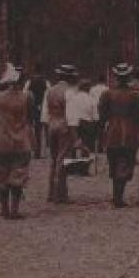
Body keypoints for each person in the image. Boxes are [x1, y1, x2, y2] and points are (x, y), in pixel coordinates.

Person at [0, 63, 35, 219]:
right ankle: (15, 209)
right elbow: (30, 117)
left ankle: (4, 209)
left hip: (2, 139)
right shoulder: (27, 97)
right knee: (18, 174)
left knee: (1, 173)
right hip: (21, 139)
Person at [99, 63, 139, 208]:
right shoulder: (136, 95)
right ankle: (118, 196)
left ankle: (117, 194)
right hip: (129, 131)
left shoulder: (107, 94)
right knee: (126, 160)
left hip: (113, 130)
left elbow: (102, 113)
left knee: (114, 161)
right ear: (129, 77)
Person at [44, 64, 78, 203]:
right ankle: (61, 194)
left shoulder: (50, 90)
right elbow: (71, 115)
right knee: (62, 160)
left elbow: (46, 112)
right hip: (64, 125)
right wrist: (75, 135)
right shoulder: (70, 92)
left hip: (52, 124)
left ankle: (51, 192)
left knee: (53, 159)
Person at [24, 65, 50, 158]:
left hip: (32, 107)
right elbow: (48, 95)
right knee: (44, 130)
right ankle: (44, 151)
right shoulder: (46, 82)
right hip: (42, 107)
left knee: (34, 130)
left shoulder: (29, 82)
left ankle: (35, 151)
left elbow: (25, 94)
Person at [89, 73, 110, 152]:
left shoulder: (92, 89)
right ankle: (103, 146)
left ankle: (96, 147)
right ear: (104, 81)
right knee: (104, 130)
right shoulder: (107, 89)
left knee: (95, 130)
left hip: (94, 110)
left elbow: (90, 100)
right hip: (104, 111)